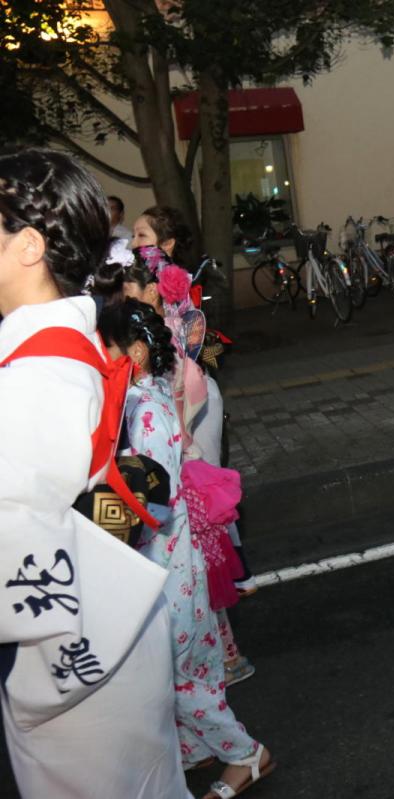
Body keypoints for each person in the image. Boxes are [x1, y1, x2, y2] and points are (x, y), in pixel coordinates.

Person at [0, 148, 188, 797]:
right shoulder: (72, 345)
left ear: (28, 245)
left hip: (68, 678)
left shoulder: (31, 380)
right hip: (110, 643)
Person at [100, 299, 275, 799]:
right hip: (176, 559)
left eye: (105, 348)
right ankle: (197, 748)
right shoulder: (145, 395)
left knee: (176, 678)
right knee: (191, 666)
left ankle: (246, 755)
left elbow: (146, 501)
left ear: (134, 352)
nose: (99, 359)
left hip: (166, 564)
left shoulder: (146, 413)